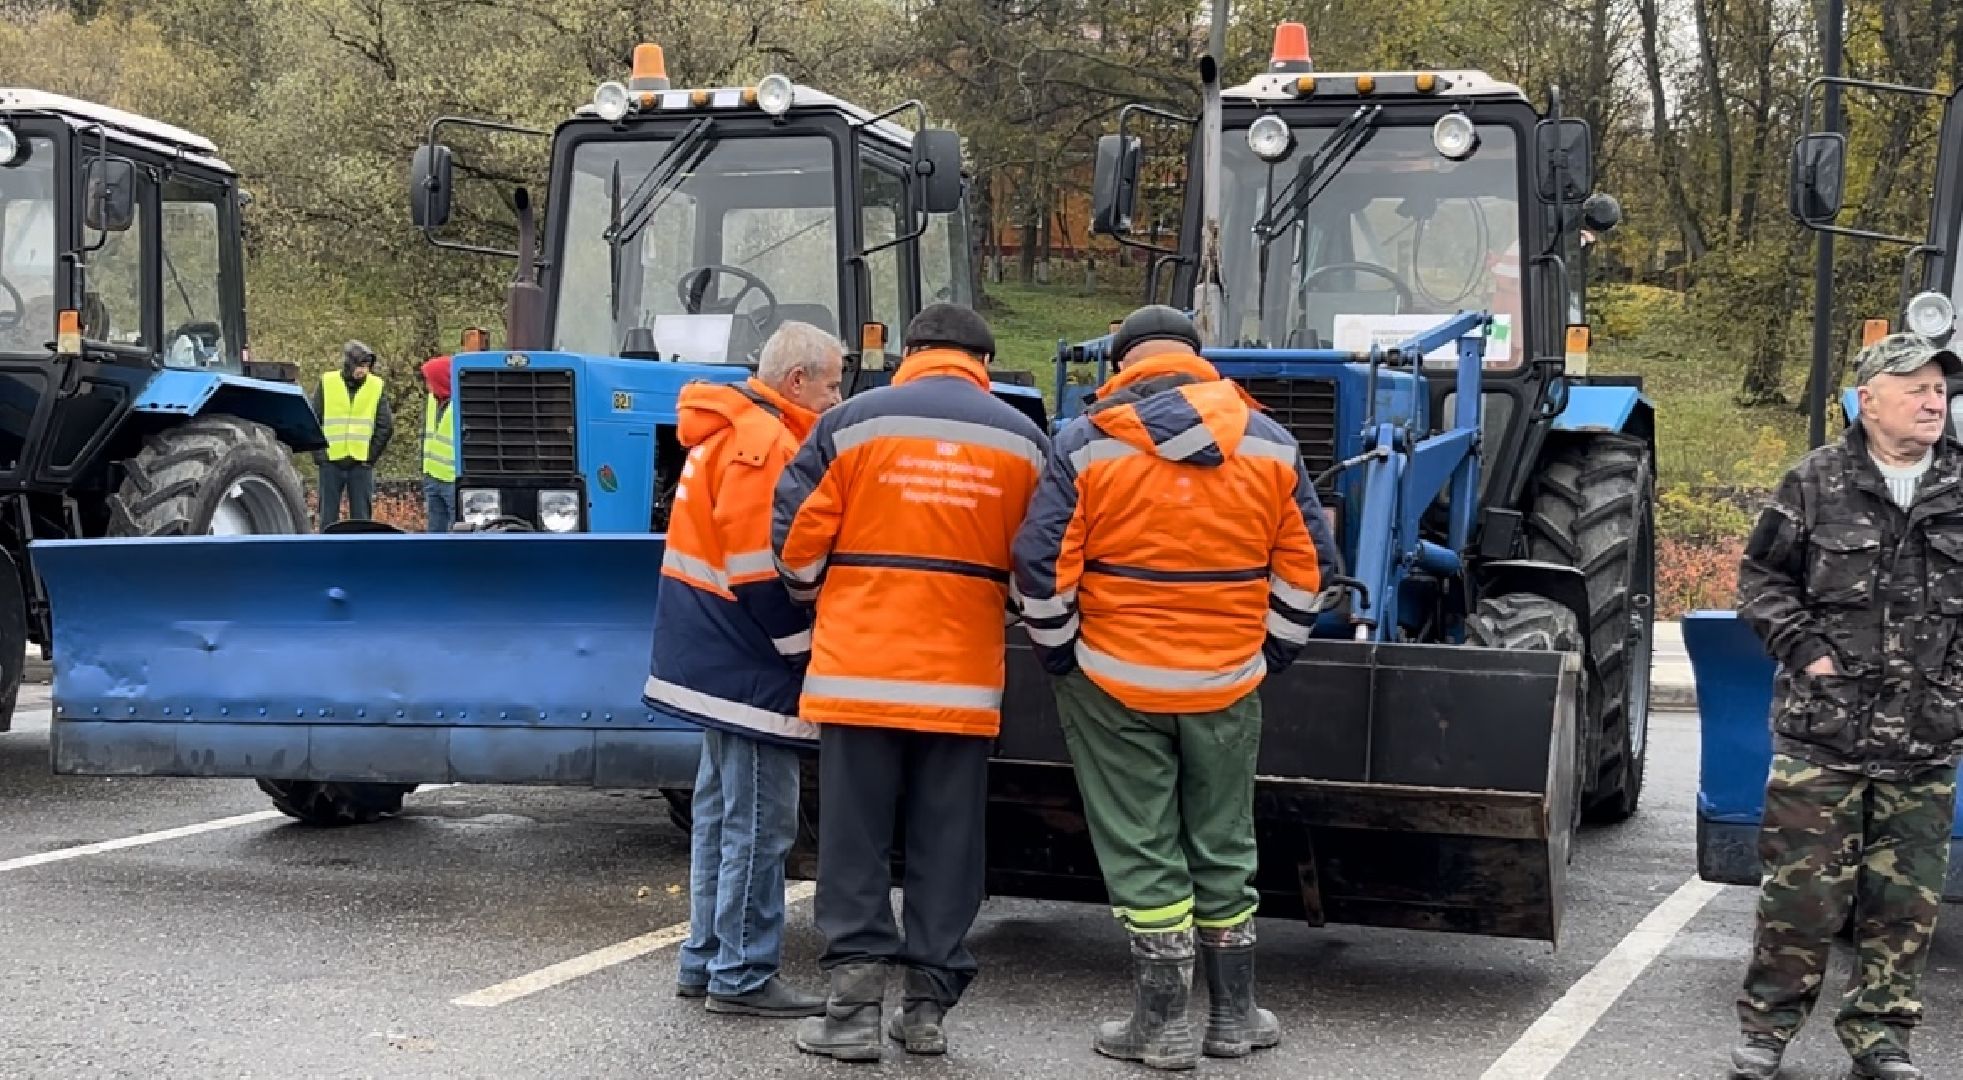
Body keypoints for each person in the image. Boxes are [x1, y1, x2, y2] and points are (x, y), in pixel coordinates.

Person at [1011, 305, 1339, 1069]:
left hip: (1113, 680)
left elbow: (1040, 563)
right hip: (1225, 679)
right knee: (1223, 840)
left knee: (1142, 846)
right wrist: (1269, 655)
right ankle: (1232, 1017)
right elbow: (1308, 571)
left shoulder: (1087, 445)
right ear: (1196, 358)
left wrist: (1061, 654)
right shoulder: (1269, 444)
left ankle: (1159, 1027)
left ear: (1121, 363)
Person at [772, 303, 1050, 1061]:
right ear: (982, 365)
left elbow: (796, 548)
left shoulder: (852, 423)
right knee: (947, 842)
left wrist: (820, 596)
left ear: (912, 354)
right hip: (961, 682)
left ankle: (852, 1015)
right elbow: (1038, 566)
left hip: (859, 673)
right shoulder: (1022, 440)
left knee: (854, 841)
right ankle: (926, 1010)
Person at [1728, 332, 1963, 1080]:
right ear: (1868, 401)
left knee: (1904, 907)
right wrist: (1807, 651)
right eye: (1916, 388)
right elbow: (1760, 580)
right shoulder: (1813, 482)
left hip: (1922, 741)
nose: (1934, 402)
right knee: (1799, 901)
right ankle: (1765, 1032)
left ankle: (1880, 1039)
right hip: (1821, 736)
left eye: (1939, 390)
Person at [643, 321, 845, 1018]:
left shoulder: (726, 430)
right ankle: (742, 972)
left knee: (721, 813)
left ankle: (705, 959)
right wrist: (802, 655)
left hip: (707, 653)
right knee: (761, 824)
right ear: (797, 381)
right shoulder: (767, 445)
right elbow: (763, 574)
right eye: (832, 383)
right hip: (747, 662)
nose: (837, 396)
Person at [312, 341, 392, 527]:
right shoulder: (328, 382)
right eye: (359, 365)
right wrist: (320, 456)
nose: (363, 370)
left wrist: (370, 458)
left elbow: (385, 426)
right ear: (348, 364)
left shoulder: (376, 386)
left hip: (360, 464)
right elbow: (313, 420)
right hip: (330, 462)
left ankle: (362, 554)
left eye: (366, 366)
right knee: (327, 519)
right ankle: (327, 553)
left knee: (362, 520)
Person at [420, 352, 457, 532]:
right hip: (432, 476)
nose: (427, 385)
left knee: (459, 531)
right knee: (435, 532)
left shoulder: (462, 403)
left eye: (430, 380)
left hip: (453, 480)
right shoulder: (432, 400)